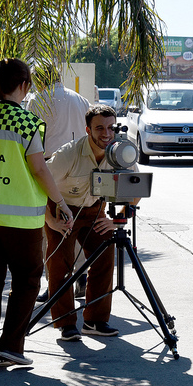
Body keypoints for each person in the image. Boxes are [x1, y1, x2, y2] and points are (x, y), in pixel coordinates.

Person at [0, 58, 73, 369]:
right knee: (26, 278)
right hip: (18, 217)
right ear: (23, 86)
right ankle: (11, 345)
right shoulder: (24, 122)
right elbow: (39, 168)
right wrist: (60, 203)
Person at [45, 104, 139, 341]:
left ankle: (95, 321)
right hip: (62, 210)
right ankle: (66, 324)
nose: (106, 134)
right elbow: (37, 185)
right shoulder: (69, 154)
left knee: (104, 258)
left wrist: (117, 221)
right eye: (99, 128)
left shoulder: (120, 151)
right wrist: (50, 221)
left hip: (94, 210)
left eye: (110, 127)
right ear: (88, 130)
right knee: (60, 265)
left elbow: (137, 185)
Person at [27, 64, 91, 301]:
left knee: (51, 227)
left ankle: (54, 281)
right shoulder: (81, 100)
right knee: (77, 220)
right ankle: (81, 276)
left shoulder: (37, 101)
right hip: (80, 166)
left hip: (51, 166)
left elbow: (32, 139)